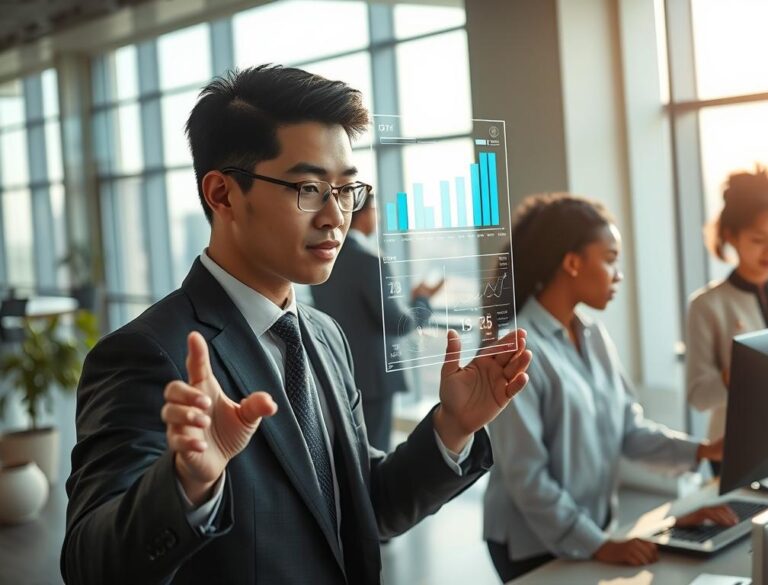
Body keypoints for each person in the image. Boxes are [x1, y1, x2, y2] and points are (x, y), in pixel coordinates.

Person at [61, 65, 532, 585]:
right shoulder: (148, 354)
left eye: (347, 189)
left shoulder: (325, 337)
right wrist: (184, 488)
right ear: (222, 195)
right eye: (309, 188)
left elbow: (365, 508)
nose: (335, 215)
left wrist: (453, 427)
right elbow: (89, 565)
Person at [482, 194, 735, 583]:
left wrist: (702, 450)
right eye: (610, 258)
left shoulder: (594, 336)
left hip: (588, 530)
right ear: (572, 262)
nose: (618, 274)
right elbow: (527, 477)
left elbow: (628, 431)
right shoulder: (515, 347)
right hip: (530, 544)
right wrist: (599, 543)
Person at [686, 165, 768, 443]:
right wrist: (732, 376)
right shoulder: (706, 306)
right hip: (734, 445)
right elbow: (698, 397)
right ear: (732, 237)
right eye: (758, 240)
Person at [312, 191, 444, 452]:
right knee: (374, 455)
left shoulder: (321, 259)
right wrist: (422, 301)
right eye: (376, 212)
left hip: (336, 370)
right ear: (364, 214)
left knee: (347, 454)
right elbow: (397, 323)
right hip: (374, 380)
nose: (378, 218)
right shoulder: (371, 260)